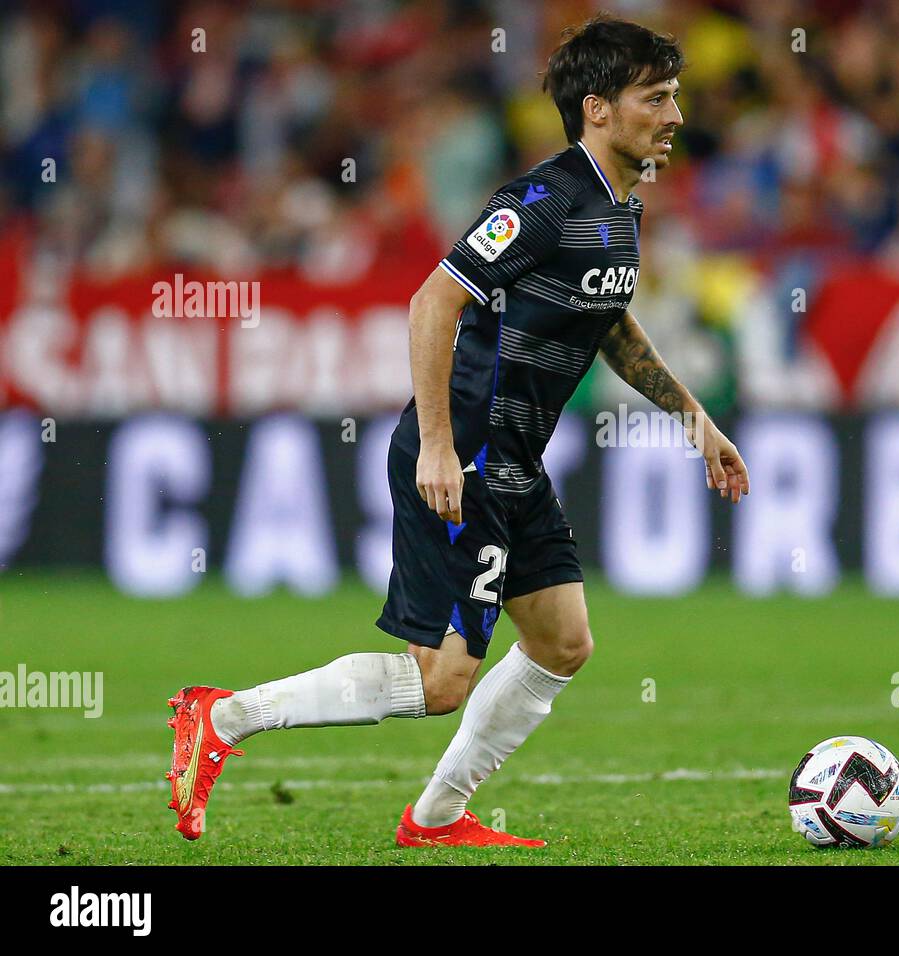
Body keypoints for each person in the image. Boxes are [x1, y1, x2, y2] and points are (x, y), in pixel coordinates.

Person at [166, 14, 749, 847]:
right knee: (440, 677)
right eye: (656, 98)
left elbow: (608, 322)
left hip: (516, 462)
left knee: (562, 641)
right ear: (597, 108)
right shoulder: (540, 203)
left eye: (675, 97)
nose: (675, 116)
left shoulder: (622, 208)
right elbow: (434, 300)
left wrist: (694, 418)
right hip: (466, 455)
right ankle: (223, 716)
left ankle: (436, 817)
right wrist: (439, 444)